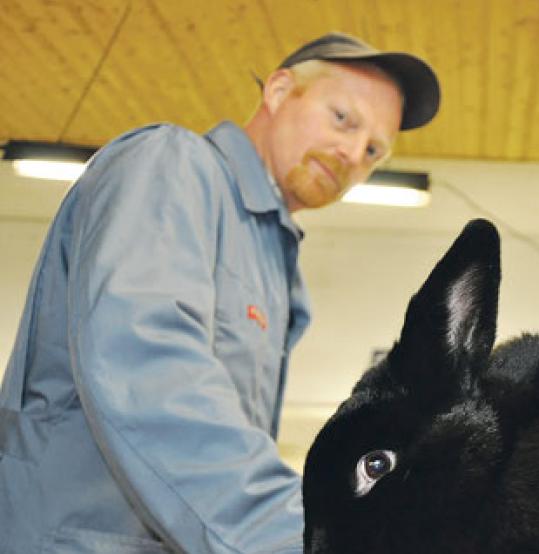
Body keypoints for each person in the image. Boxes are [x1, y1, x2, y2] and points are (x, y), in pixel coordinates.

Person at [0, 32, 440, 553]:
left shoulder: (276, 266)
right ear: (278, 91)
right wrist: (298, 536)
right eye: (343, 118)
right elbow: (148, 369)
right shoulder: (172, 166)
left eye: (373, 150)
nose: (352, 153)